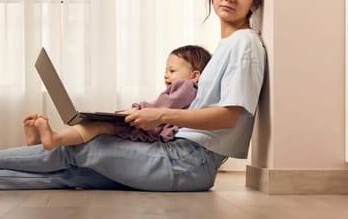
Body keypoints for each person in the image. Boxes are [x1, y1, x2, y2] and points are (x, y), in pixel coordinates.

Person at [0, 0, 266, 192]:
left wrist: (159, 114)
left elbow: (228, 118)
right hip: (180, 157)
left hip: (189, 163)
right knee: (79, 174)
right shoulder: (225, 47)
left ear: (256, 2)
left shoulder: (245, 44)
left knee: (86, 145)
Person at [23, 45, 211, 150]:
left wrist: (139, 109)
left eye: (172, 70)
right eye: (165, 71)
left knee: (96, 126)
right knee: (96, 125)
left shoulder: (187, 87)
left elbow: (162, 107)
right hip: (155, 127)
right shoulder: (182, 89)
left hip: (155, 131)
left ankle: (54, 139)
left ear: (194, 75)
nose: (166, 75)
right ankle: (42, 144)